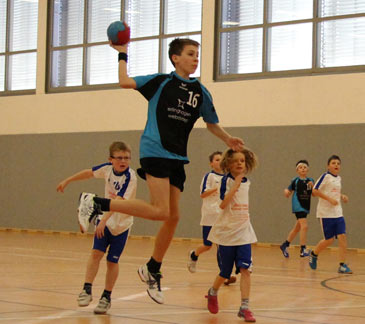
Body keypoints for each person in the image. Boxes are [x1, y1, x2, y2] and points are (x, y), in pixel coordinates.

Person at [77, 36, 244, 304]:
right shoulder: (160, 82)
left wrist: (227, 140)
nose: (195, 58)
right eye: (190, 54)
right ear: (175, 58)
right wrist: (122, 53)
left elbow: (212, 123)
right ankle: (95, 201)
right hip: (155, 149)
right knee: (161, 210)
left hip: (178, 157)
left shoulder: (201, 92)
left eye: (197, 54)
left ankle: (152, 267)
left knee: (173, 216)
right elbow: (124, 81)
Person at [56, 141, 137, 314]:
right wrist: (68, 180)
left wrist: (102, 220)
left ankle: (106, 297)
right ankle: (86, 289)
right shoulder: (107, 169)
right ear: (111, 159)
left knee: (112, 261)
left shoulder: (131, 177)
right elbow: (88, 173)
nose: (123, 161)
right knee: (96, 254)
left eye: (127, 158)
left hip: (121, 224)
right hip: (106, 220)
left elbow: (119, 203)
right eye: (119, 158)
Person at [205, 147, 258, 322]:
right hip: (227, 233)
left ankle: (244, 306)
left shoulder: (247, 181)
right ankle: (213, 292)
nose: (239, 163)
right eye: (235, 161)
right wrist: (234, 185)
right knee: (225, 272)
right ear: (228, 164)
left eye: (242, 161)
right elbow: (222, 204)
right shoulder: (225, 182)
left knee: (246, 270)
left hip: (243, 232)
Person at [187, 151, 236, 285]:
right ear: (211, 163)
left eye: (221, 159)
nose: (219, 161)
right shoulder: (209, 176)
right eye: (216, 159)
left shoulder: (228, 177)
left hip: (222, 215)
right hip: (210, 214)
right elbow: (203, 194)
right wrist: (216, 188)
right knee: (207, 245)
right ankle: (194, 254)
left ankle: (225, 274)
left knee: (222, 245)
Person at [309, 155, 352, 274]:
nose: (336, 165)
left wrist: (341, 196)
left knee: (342, 236)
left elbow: (334, 192)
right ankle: (314, 254)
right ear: (328, 166)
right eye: (333, 163)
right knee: (329, 240)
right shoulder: (325, 176)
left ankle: (342, 265)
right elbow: (315, 191)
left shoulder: (339, 178)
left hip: (338, 213)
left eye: (338, 163)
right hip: (325, 213)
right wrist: (329, 199)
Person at [279, 160, 314, 258]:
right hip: (298, 205)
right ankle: (303, 249)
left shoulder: (311, 180)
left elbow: (314, 194)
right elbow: (289, 191)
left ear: (308, 169)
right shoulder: (295, 180)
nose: (303, 169)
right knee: (305, 226)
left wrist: (313, 187)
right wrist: (286, 192)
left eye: (305, 167)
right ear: (297, 170)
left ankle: (285, 245)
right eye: (300, 167)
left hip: (306, 205)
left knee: (297, 228)